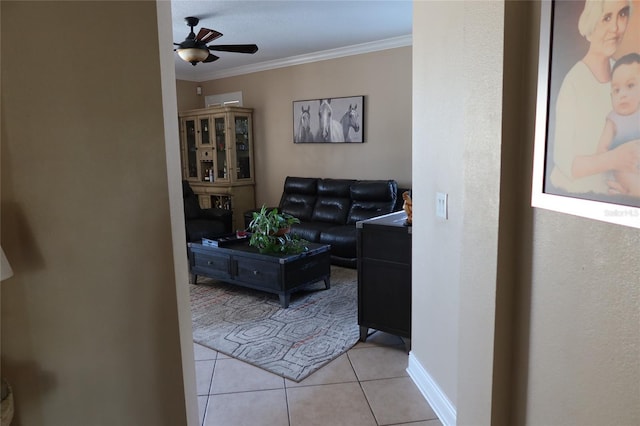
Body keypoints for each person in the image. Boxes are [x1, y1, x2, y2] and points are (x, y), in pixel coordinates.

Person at [550, 0, 640, 196]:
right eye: (606, 18)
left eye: (622, 14)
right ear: (591, 24)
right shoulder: (573, 83)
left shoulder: (627, 74)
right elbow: (565, 162)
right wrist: (614, 159)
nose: (616, 28)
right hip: (576, 198)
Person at [596, 52, 640, 196]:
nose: (622, 94)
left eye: (630, 85)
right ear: (611, 96)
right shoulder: (613, 119)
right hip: (625, 170)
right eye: (616, 90)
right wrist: (609, 159)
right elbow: (602, 150)